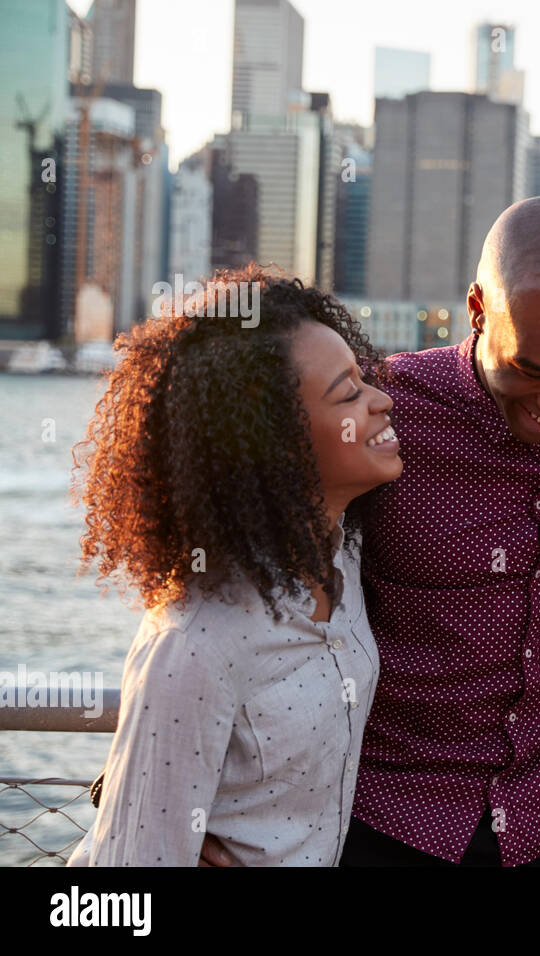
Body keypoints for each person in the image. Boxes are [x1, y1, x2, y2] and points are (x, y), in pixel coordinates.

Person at [329, 196, 540, 866]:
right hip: (383, 825)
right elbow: (270, 580)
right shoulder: (385, 406)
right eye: (533, 372)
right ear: (478, 310)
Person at [68, 269, 401, 866]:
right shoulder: (195, 642)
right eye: (348, 394)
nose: (382, 401)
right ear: (275, 441)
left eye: (364, 380)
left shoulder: (343, 563)